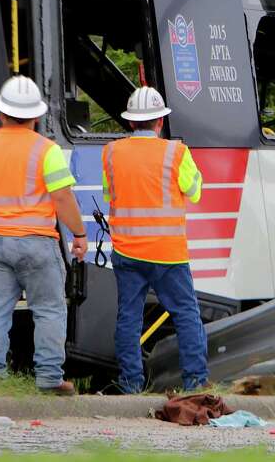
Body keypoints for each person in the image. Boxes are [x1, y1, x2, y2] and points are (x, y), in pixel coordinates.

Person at [0, 75, 88, 395]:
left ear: (1, 113)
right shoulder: (47, 151)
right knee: (49, 310)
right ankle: (48, 378)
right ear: (36, 116)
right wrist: (79, 233)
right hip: (36, 243)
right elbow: (62, 197)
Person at [102, 86, 208, 393]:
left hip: (127, 252)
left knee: (129, 318)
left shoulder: (111, 153)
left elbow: (109, 195)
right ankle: (195, 384)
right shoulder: (177, 152)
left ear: (130, 122)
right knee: (186, 314)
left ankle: (131, 384)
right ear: (160, 121)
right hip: (168, 254)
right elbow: (195, 192)